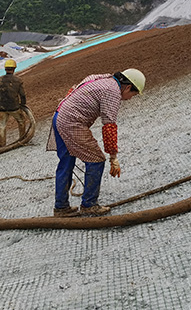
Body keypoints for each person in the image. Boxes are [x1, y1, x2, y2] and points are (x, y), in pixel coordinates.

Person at [47, 69, 145, 217]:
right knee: (96, 160)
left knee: (66, 163)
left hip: (59, 115)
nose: (130, 98)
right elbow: (109, 126)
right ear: (128, 87)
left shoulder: (103, 78)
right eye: (133, 94)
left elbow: (73, 90)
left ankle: (61, 208)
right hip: (71, 122)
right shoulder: (113, 92)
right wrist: (113, 157)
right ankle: (89, 205)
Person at [0, 59, 27, 147]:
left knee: (2, 126)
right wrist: (23, 105)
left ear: (5, 69)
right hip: (14, 107)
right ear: (14, 68)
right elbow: (22, 95)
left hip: (2, 107)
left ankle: (2, 144)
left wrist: (2, 100)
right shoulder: (18, 80)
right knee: (21, 121)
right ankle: (22, 139)